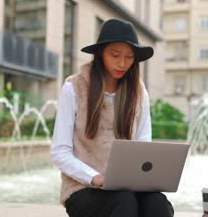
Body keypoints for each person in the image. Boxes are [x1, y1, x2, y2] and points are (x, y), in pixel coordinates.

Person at [50, 18, 174, 217]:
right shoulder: (74, 88)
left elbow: (144, 144)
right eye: (115, 55)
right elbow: (60, 152)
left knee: (157, 203)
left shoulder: (139, 92)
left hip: (127, 187)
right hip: (83, 188)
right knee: (123, 201)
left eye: (129, 57)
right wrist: (96, 178)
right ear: (101, 53)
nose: (122, 63)